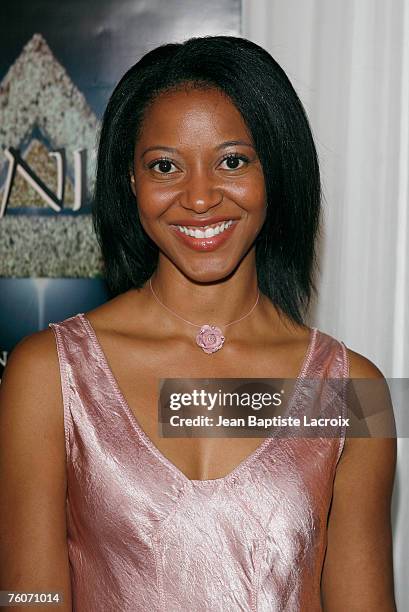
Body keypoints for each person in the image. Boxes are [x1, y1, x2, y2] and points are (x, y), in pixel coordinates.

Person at [0, 36, 396, 611]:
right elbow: (27, 599)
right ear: (131, 181)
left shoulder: (353, 394)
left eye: (232, 161)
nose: (201, 197)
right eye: (165, 166)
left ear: (275, 172)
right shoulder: (47, 374)